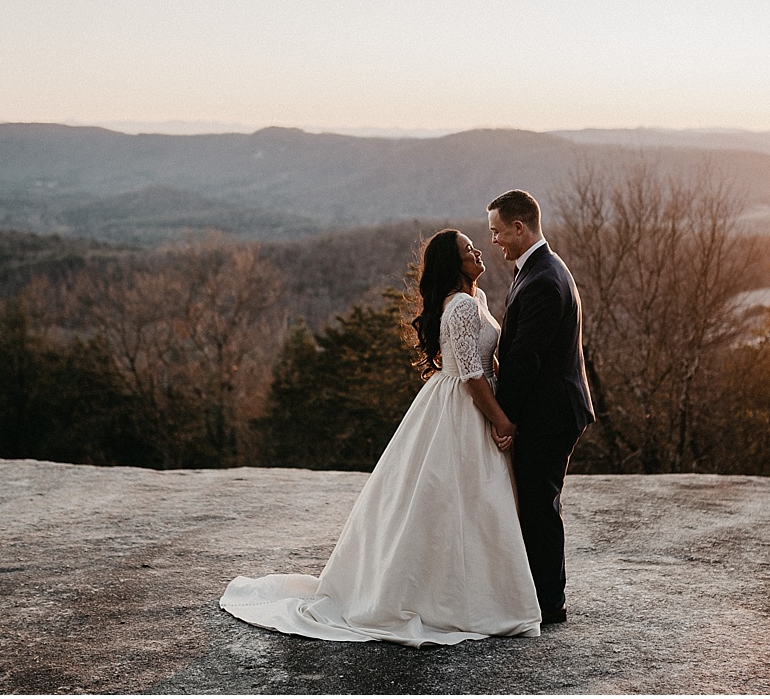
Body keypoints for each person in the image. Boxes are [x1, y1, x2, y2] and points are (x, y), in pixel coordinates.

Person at [219, 229, 541, 647]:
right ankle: (449, 600)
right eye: (467, 250)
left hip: (469, 401)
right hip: (461, 408)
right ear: (452, 263)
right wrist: (502, 421)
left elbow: (486, 360)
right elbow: (471, 376)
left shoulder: (474, 300)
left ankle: (474, 593)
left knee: (471, 504)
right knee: (451, 500)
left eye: (475, 246)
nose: (477, 251)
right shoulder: (460, 306)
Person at [485, 189, 595, 624]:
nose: (494, 240)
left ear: (519, 227)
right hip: (550, 409)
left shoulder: (545, 280)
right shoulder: (538, 268)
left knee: (539, 506)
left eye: (497, 231)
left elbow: (526, 360)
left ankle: (549, 604)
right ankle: (537, 595)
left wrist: (504, 418)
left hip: (550, 414)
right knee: (535, 503)